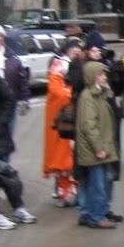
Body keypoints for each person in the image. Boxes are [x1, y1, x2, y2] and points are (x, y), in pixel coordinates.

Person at [75, 61, 120, 228]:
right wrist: (99, 148)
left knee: (100, 182)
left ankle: (96, 212)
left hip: (101, 147)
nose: (104, 77)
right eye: (100, 74)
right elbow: (89, 125)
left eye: (104, 74)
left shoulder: (100, 94)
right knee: (98, 184)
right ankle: (97, 217)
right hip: (95, 150)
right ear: (92, 77)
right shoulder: (88, 97)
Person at [44, 38, 82, 206]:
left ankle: (79, 193)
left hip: (79, 115)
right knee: (63, 157)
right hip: (65, 117)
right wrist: (73, 94)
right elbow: (55, 89)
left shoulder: (82, 64)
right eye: (73, 47)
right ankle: (63, 194)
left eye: (78, 48)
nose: (76, 50)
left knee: (78, 156)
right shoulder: (59, 65)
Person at [0, 23, 30, 138]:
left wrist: (24, 99)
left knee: (8, 135)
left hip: (10, 101)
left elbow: (22, 79)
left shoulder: (13, 57)